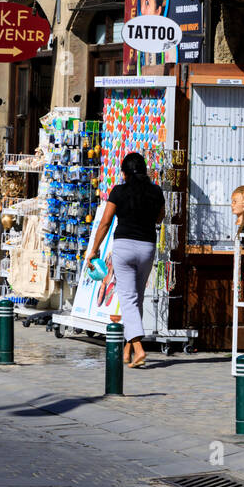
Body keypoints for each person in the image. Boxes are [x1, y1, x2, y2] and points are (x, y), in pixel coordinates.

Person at [85, 152, 165, 368]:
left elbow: (105, 222)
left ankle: (138, 349)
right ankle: (127, 351)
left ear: (124, 172)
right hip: (147, 247)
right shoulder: (156, 191)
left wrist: (94, 249)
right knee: (136, 298)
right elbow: (160, 217)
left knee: (128, 299)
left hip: (124, 247)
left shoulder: (119, 191)